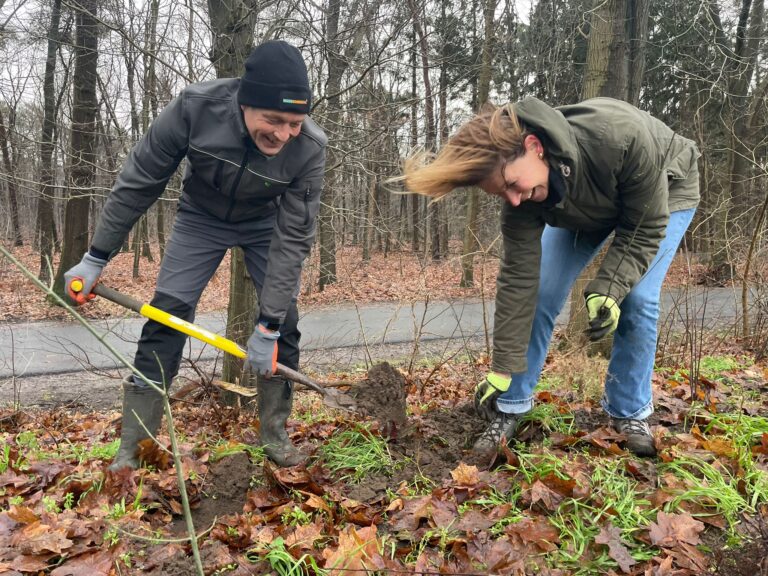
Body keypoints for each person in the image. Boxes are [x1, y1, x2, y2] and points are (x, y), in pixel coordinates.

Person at [64, 40, 327, 469]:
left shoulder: (310, 147)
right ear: (245, 102)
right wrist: (96, 256)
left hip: (265, 223)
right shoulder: (194, 108)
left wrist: (270, 324)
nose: (283, 134)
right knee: (167, 314)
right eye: (274, 119)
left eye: (295, 122)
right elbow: (140, 181)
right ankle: (135, 448)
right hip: (201, 216)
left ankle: (275, 437)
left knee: (285, 325)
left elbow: (294, 236)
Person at [402, 96, 699, 459]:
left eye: (512, 183)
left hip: (664, 190)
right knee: (541, 290)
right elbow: (518, 280)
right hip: (586, 204)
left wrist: (608, 288)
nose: (514, 199)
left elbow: (644, 225)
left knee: (636, 298)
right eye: (502, 193)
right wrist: (503, 368)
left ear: (534, 147)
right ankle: (511, 404)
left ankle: (629, 411)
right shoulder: (522, 198)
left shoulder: (619, 137)